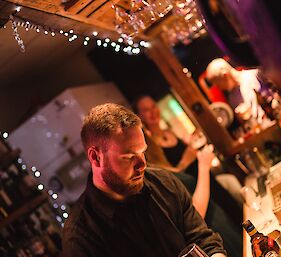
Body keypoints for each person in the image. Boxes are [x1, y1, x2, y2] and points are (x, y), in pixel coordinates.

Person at [62, 103, 227, 257]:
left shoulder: (163, 182)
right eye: (129, 157)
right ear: (96, 157)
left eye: (142, 152)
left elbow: (203, 238)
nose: (142, 164)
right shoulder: (80, 237)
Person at [133, 95, 243, 257]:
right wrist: (194, 162)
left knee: (238, 221)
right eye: (146, 110)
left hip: (206, 187)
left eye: (153, 106)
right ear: (140, 117)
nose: (152, 112)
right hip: (198, 193)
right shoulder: (151, 152)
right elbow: (174, 175)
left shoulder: (169, 132)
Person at [206, 58, 265, 124]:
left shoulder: (254, 75)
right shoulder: (232, 98)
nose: (220, 89)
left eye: (218, 84)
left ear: (225, 75)